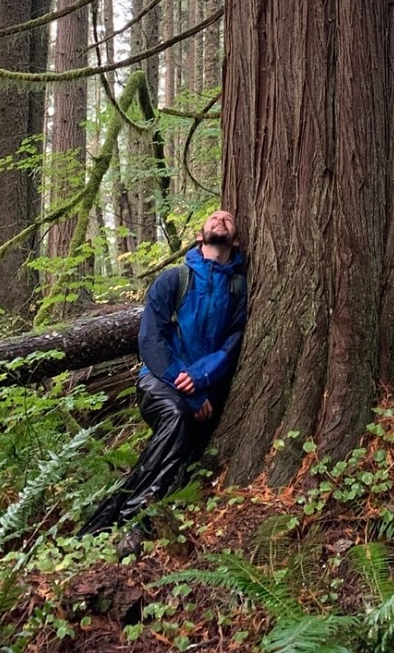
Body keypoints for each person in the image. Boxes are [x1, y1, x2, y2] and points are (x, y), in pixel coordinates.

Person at [81, 209, 248, 544]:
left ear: (236, 240)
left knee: (184, 453)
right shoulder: (174, 280)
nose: (221, 221)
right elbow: (150, 340)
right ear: (201, 236)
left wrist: (201, 379)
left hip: (204, 387)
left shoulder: (237, 288)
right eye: (214, 219)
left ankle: (107, 525)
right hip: (158, 381)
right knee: (175, 415)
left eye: (228, 221)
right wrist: (185, 385)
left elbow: (233, 343)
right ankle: (134, 517)